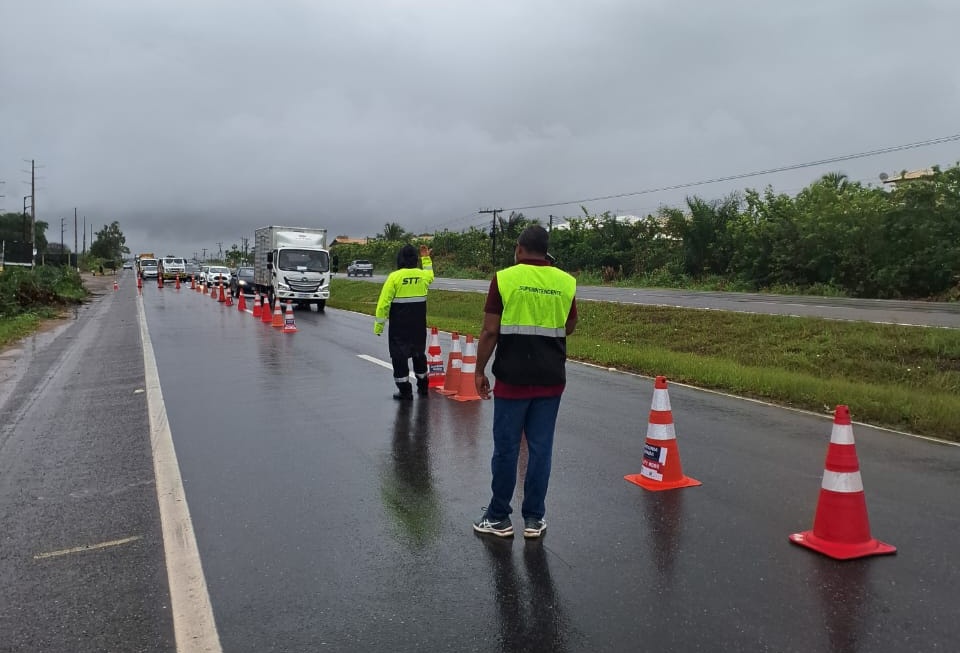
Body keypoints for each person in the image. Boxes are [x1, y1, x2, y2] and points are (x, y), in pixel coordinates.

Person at [472, 225, 577, 539]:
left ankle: (499, 517)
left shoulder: (504, 279)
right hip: (550, 381)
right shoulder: (565, 281)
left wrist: (479, 371)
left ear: (519, 249)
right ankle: (534, 519)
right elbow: (569, 326)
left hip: (512, 380)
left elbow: (490, 330)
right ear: (546, 251)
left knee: (506, 449)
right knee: (540, 450)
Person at [374, 244, 434, 400]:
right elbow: (430, 273)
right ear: (415, 259)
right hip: (418, 327)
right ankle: (423, 386)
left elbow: (383, 304)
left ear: (400, 259)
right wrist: (426, 257)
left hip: (399, 328)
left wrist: (379, 326)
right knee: (419, 355)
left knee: (399, 358)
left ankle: (405, 391)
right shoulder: (423, 276)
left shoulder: (394, 277)